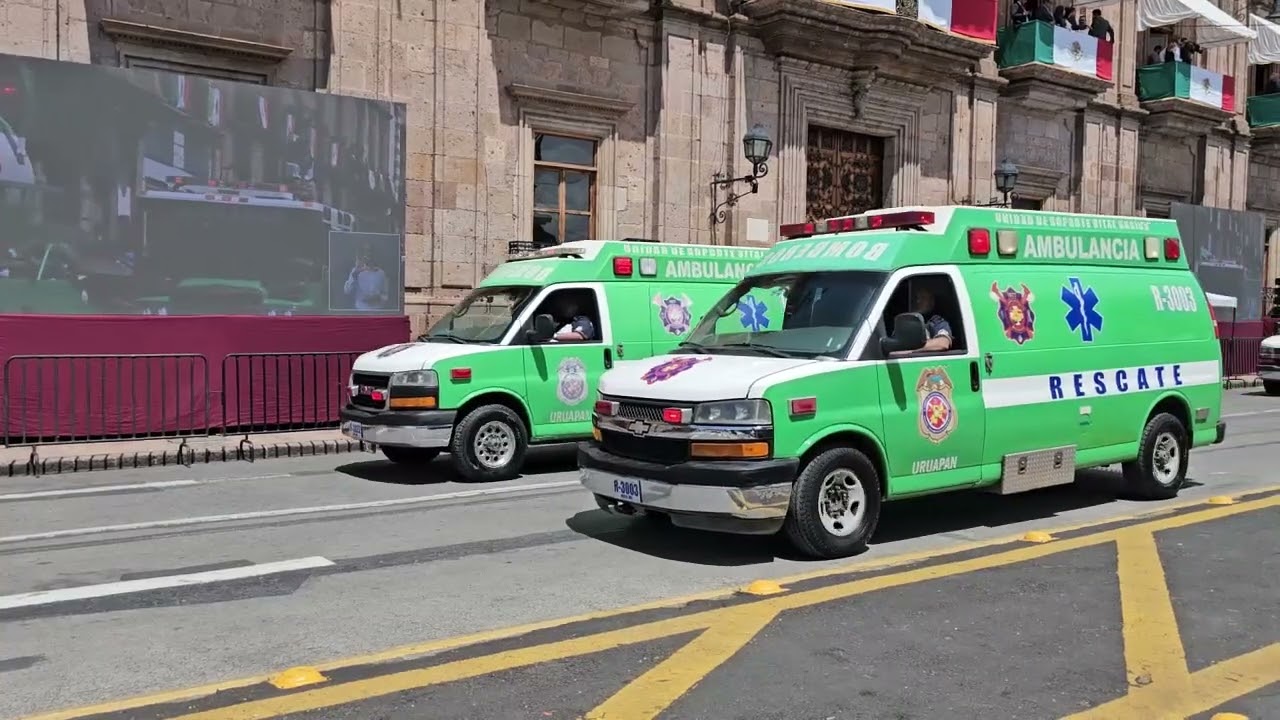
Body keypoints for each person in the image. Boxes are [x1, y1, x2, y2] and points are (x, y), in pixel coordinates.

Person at [907, 280, 954, 353]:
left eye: (923, 297)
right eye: (917, 298)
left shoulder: (936, 321)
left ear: (931, 301)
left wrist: (909, 350)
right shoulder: (906, 321)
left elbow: (943, 343)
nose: (918, 301)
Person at [343, 245, 389, 310]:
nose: (368, 254)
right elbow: (347, 291)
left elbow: (385, 295)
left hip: (377, 311)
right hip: (360, 310)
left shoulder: (381, 273)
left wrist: (378, 298)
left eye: (370, 251)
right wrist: (354, 275)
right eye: (365, 251)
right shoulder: (355, 271)